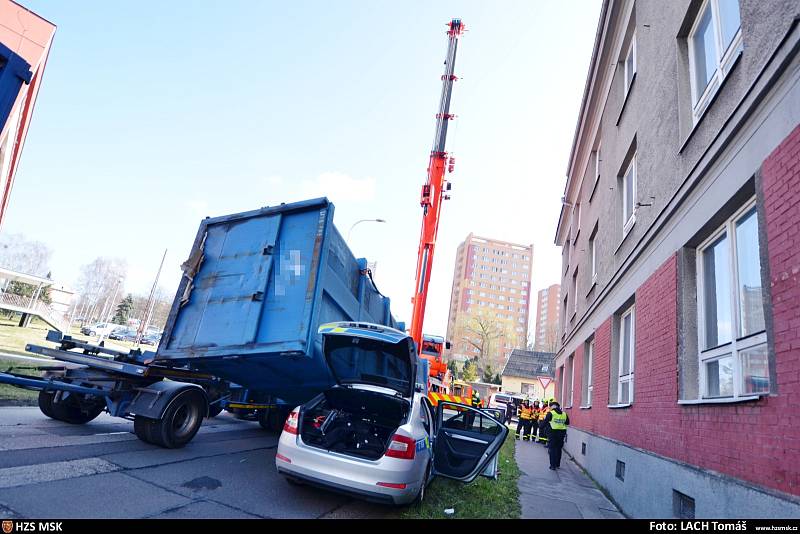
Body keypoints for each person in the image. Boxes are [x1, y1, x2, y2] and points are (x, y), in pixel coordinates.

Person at [541, 400, 569, 470]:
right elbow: (567, 423)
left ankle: (552, 465)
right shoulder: (564, 414)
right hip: (561, 434)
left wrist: (540, 426)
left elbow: (544, 423)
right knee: (559, 449)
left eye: (550, 406)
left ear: (553, 406)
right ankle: (557, 464)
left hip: (553, 434)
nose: (550, 408)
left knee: (552, 449)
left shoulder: (551, 413)